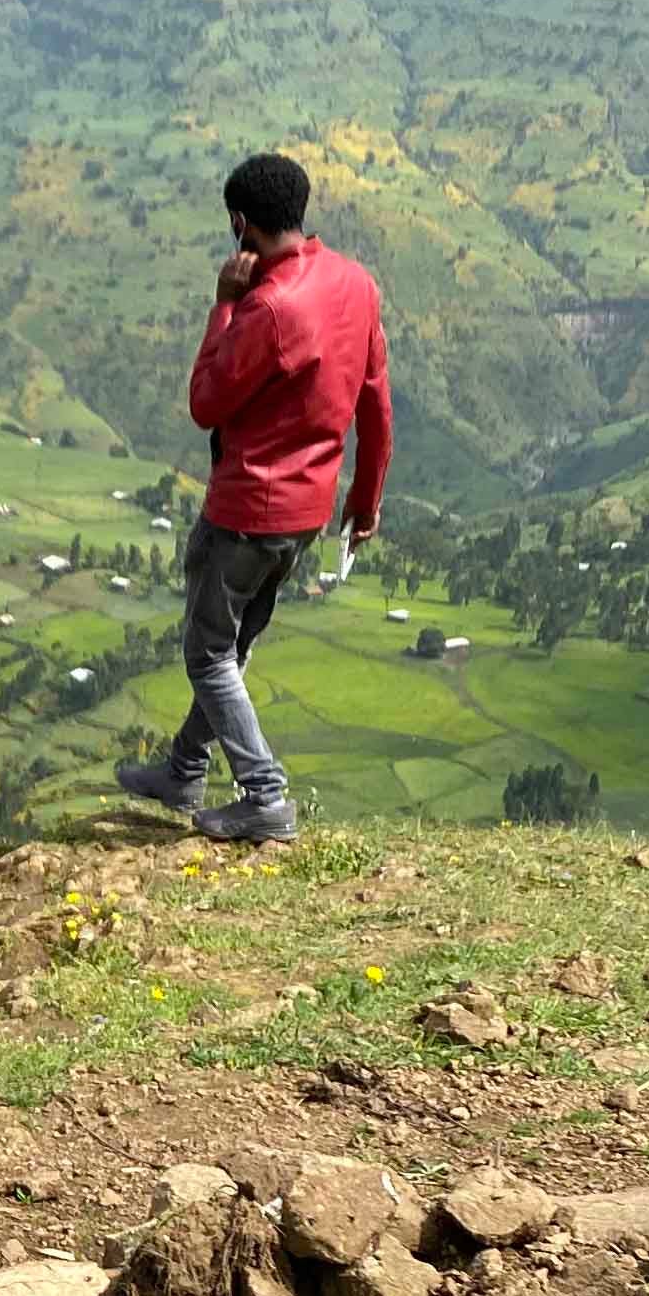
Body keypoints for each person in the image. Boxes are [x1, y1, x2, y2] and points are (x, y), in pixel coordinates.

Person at [119, 152, 394, 843]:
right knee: (232, 647)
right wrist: (366, 500)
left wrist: (223, 305)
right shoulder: (356, 284)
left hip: (246, 512)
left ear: (240, 224)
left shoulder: (267, 305)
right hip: (307, 513)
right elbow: (376, 404)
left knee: (208, 654)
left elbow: (206, 403)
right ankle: (184, 769)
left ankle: (264, 792)